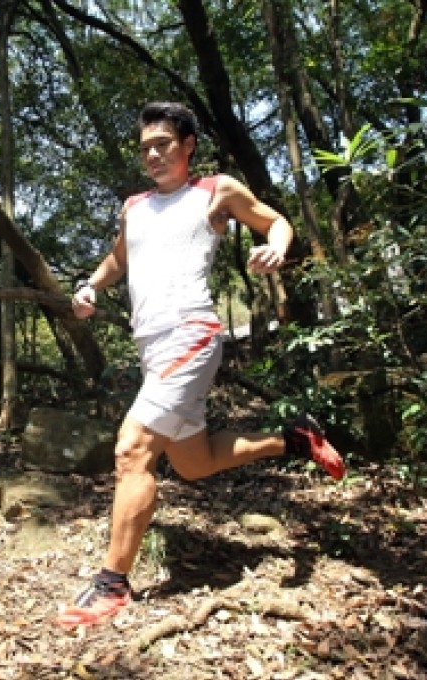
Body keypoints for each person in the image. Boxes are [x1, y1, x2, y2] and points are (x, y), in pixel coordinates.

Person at [56, 101, 346, 629]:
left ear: (188, 146)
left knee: (132, 450)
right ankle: (295, 438)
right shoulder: (134, 206)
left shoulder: (215, 191)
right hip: (153, 348)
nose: (152, 155)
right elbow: (120, 258)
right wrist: (90, 286)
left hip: (192, 334)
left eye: (162, 144)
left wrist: (275, 249)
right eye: (145, 147)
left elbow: (274, 221)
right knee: (194, 463)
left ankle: (112, 584)